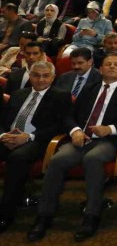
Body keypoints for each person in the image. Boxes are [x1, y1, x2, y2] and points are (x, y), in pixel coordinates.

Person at [28, 53, 117, 242]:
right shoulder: (90, 88)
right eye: (108, 64)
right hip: (81, 139)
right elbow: (69, 116)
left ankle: (91, 215)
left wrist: (110, 129)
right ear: (100, 69)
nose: (112, 67)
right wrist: (75, 131)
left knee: (93, 159)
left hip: (108, 141)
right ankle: (44, 216)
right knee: (57, 160)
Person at [0, 61, 70, 233]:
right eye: (36, 75)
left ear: (53, 77)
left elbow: (59, 126)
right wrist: (3, 135)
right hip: (8, 136)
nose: (40, 79)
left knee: (17, 158)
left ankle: (6, 214)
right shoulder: (18, 94)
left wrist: (28, 137)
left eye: (45, 76)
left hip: (37, 140)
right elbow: (2, 119)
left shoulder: (61, 96)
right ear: (29, 76)